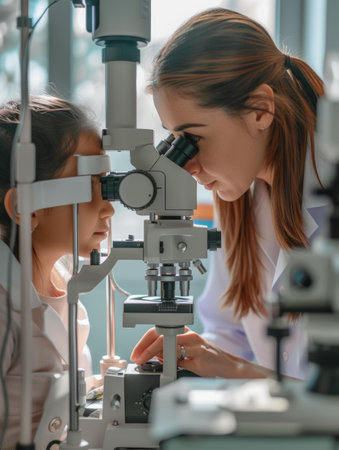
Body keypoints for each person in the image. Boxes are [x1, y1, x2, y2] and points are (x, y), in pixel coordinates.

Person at [130, 8, 328, 380]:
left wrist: (237, 371)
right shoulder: (240, 203)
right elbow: (232, 332)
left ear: (260, 109)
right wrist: (201, 354)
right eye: (175, 142)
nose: (185, 167)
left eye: (194, 140)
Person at [0, 95, 114, 448]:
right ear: (26, 206)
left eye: (107, 184)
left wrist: (100, 386)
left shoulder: (67, 294)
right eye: (91, 186)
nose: (108, 208)